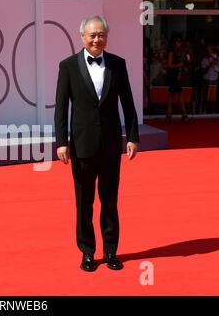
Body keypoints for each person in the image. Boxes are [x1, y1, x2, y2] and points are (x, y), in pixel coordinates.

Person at [54, 15, 139, 272]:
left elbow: (128, 102)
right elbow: (61, 107)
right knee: (84, 202)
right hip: (81, 146)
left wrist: (132, 136)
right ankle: (87, 252)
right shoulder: (68, 66)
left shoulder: (118, 64)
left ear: (107, 37)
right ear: (82, 37)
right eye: (92, 35)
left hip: (111, 144)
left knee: (110, 200)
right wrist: (61, 142)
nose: (96, 39)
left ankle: (111, 251)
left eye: (101, 34)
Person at [165, 35, 190, 123]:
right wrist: (179, 65)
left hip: (174, 76)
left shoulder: (176, 52)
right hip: (172, 76)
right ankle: (184, 115)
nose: (180, 43)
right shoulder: (172, 52)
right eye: (178, 41)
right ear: (174, 42)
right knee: (179, 94)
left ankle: (169, 116)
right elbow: (168, 65)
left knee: (172, 96)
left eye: (180, 41)